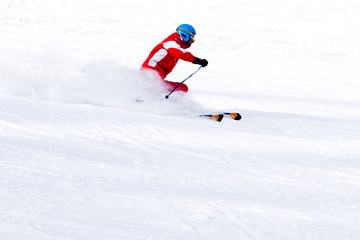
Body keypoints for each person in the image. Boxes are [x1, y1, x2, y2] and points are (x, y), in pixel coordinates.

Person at [140, 24, 208, 93]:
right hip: (150, 72)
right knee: (155, 89)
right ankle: (143, 98)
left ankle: (159, 100)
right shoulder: (171, 41)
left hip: (155, 75)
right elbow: (179, 53)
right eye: (192, 37)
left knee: (182, 88)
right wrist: (197, 60)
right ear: (185, 35)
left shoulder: (176, 45)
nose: (193, 41)